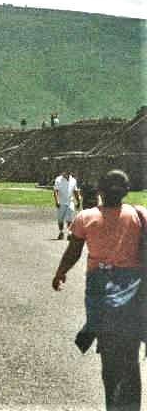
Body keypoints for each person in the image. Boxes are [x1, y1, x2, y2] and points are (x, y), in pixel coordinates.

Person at [52, 170, 145, 411]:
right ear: (127, 191)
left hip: (102, 293)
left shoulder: (86, 217)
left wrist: (61, 271)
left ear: (99, 191)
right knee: (131, 358)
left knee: (111, 361)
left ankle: (91, 329)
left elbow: (74, 251)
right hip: (133, 293)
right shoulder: (140, 215)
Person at [53, 170, 82, 240]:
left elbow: (75, 191)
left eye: (67, 172)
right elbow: (56, 191)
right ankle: (61, 232)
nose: (65, 173)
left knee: (70, 219)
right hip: (61, 202)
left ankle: (69, 233)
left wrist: (78, 202)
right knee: (60, 219)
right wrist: (57, 201)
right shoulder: (58, 179)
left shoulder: (73, 180)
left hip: (70, 202)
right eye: (64, 171)